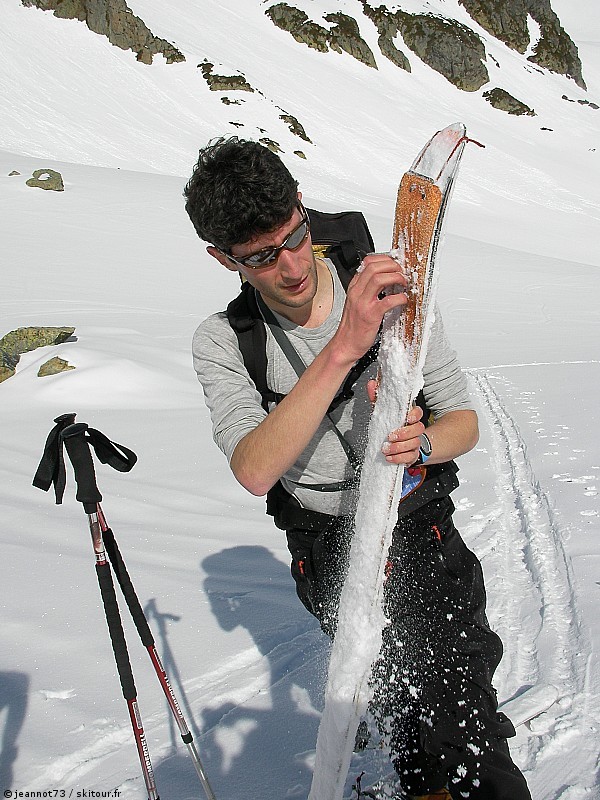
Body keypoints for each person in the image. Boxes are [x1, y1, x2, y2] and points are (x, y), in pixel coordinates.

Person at [184, 137, 531, 800]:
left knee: (463, 717)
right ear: (222, 258)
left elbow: (464, 420)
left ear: (302, 207)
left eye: (294, 236)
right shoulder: (225, 341)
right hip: (325, 548)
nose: (290, 267)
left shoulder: (388, 288)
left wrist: (422, 444)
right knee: (398, 709)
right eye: (259, 257)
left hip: (418, 528)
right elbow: (255, 468)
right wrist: (343, 349)